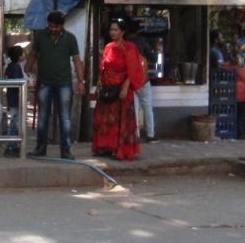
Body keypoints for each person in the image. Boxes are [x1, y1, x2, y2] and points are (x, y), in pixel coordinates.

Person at [24, 10, 86, 160]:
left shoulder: (70, 38)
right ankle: (40, 148)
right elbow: (32, 55)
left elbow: (77, 60)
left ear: (62, 26)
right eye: (51, 26)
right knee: (43, 117)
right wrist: (26, 74)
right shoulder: (40, 37)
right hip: (44, 82)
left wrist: (81, 81)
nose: (53, 29)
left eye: (56, 27)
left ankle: (65, 150)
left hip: (64, 83)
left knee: (64, 117)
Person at [92, 18, 147, 161]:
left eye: (116, 30)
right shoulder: (108, 47)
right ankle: (105, 147)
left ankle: (121, 150)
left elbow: (133, 69)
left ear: (123, 32)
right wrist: (99, 84)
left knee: (120, 120)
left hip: (122, 88)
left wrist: (125, 87)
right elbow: (103, 67)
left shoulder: (129, 47)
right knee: (104, 119)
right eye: (111, 30)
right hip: (107, 87)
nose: (113, 32)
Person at [126, 19, 157, 143]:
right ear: (138, 31)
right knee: (147, 106)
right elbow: (154, 58)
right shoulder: (142, 42)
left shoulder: (125, 43)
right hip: (143, 80)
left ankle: (136, 134)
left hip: (130, 80)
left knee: (134, 107)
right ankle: (150, 134)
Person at [224, 49, 245, 138]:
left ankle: (239, 139)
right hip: (228, 97)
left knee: (240, 120)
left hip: (242, 99)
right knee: (228, 118)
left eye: (237, 56)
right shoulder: (228, 65)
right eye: (233, 56)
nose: (236, 59)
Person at [3, 45, 25, 158]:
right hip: (16, 99)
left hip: (13, 99)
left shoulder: (11, 67)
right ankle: (11, 146)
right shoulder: (16, 68)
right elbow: (18, 84)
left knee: (15, 122)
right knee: (14, 124)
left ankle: (14, 145)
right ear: (19, 56)